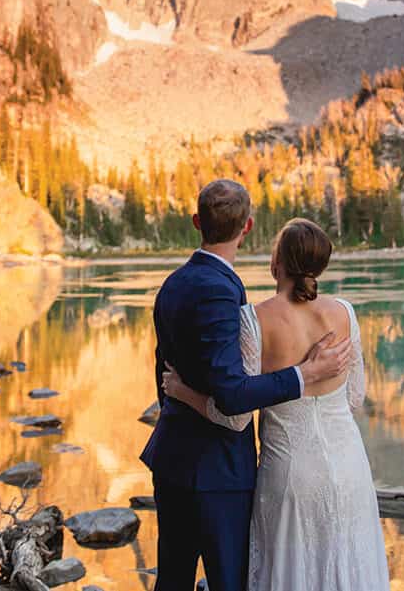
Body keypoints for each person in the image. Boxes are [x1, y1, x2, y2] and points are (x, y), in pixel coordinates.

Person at [140, 181, 354, 591]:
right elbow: (232, 395)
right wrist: (304, 374)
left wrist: (178, 400)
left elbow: (162, 369)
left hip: (171, 458)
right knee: (230, 582)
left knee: (172, 579)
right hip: (218, 473)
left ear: (196, 222)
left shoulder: (173, 284)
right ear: (248, 227)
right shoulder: (221, 290)